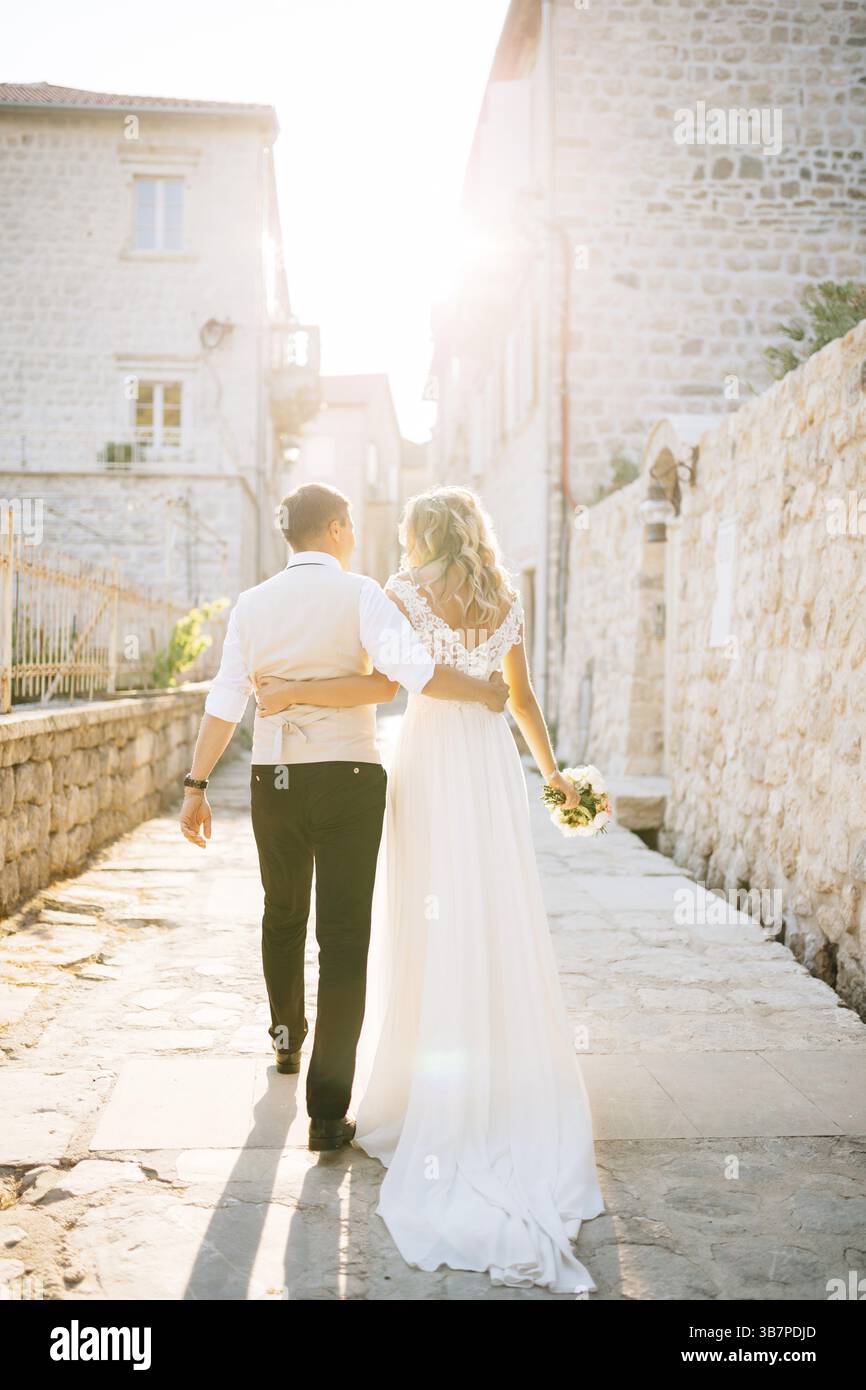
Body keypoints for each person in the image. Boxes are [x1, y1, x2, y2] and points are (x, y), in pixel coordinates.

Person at [256, 485, 605, 1294]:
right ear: (475, 530)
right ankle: (495, 1078)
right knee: (492, 908)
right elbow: (521, 700)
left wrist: (298, 691)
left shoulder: (401, 592)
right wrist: (556, 780)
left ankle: (423, 1085)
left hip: (431, 762)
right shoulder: (504, 596)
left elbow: (390, 681)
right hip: (488, 767)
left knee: (427, 914)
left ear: (420, 534)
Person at [179, 482, 508, 1154]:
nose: (355, 533)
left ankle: (285, 1042)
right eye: (350, 523)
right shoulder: (361, 594)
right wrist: (482, 688)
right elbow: (406, 676)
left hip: (276, 780)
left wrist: (196, 784)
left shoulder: (252, 604)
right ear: (332, 528)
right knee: (345, 938)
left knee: (282, 913)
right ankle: (329, 1113)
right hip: (352, 778)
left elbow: (226, 698)